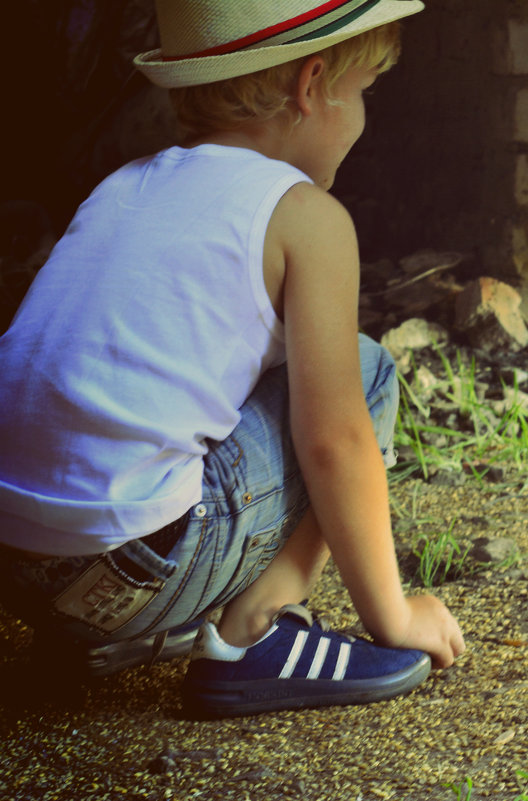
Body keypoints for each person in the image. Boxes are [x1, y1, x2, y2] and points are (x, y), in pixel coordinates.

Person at [0, 0, 464, 718]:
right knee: (363, 372)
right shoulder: (306, 215)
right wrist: (395, 617)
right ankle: (252, 630)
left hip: (20, 573)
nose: (367, 117)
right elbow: (335, 440)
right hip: (138, 568)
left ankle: (106, 634)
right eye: (366, 90)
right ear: (313, 87)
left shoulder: (124, 187)